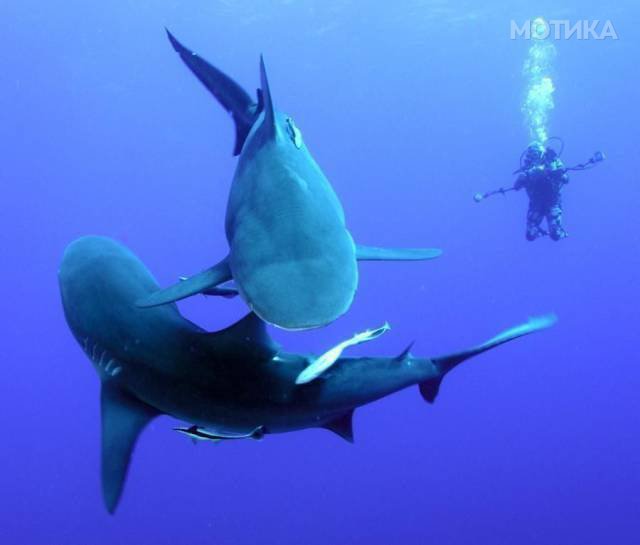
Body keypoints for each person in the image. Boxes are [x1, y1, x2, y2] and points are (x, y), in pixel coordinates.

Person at [514, 144, 569, 241]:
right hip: (536, 204)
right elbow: (516, 186)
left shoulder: (553, 162)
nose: (534, 156)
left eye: (536, 153)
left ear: (541, 153)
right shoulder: (527, 169)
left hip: (552, 202)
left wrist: (557, 173)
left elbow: (566, 179)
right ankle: (542, 232)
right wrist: (521, 179)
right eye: (531, 154)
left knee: (555, 234)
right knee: (530, 234)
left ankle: (560, 232)